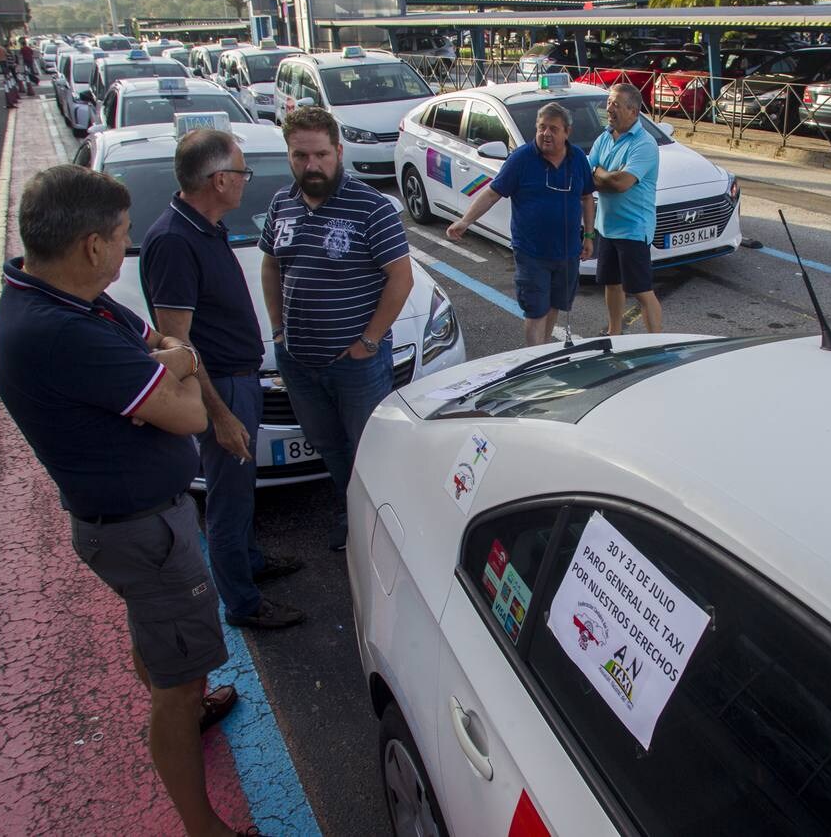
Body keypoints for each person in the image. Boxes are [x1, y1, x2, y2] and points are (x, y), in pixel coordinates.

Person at [0, 165, 255, 837]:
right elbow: (188, 412)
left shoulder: (70, 299)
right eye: (121, 237)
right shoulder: (63, 331)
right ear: (90, 246)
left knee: (159, 642)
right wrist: (180, 374)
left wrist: (173, 366)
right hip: (143, 533)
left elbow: (163, 347)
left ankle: (190, 704)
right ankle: (203, 823)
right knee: (174, 686)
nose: (124, 248)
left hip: (138, 525)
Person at [141, 128, 306, 630]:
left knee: (241, 489)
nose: (244, 182)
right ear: (217, 180)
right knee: (228, 499)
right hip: (223, 388)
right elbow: (178, 345)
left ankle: (250, 563)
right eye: (240, 173)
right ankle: (243, 602)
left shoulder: (203, 227)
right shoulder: (173, 241)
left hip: (242, 378)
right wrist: (220, 414)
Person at [260, 106, 413, 551]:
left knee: (371, 449)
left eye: (322, 155)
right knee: (330, 447)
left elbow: (400, 278)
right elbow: (271, 267)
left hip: (356, 366)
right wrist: (278, 330)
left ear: (339, 151)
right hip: (299, 363)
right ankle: (356, 513)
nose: (312, 166)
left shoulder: (371, 207)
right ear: (288, 155)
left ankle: (385, 529)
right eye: (300, 156)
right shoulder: (281, 203)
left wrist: (369, 340)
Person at [446, 102, 594, 345]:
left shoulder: (577, 158)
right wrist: (465, 221)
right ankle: (534, 359)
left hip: (567, 252)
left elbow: (587, 197)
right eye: (541, 127)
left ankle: (544, 353)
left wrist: (588, 236)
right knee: (536, 311)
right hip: (531, 253)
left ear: (567, 132)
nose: (546, 134)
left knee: (555, 305)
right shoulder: (522, 159)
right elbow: (492, 193)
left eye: (553, 129)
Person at [589, 83, 663, 335]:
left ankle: (656, 344)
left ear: (633, 111)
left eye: (616, 104)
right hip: (607, 227)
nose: (609, 108)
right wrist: (605, 176)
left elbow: (622, 183)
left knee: (642, 291)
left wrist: (600, 175)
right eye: (609, 102)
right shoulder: (604, 137)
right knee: (611, 283)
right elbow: (589, 175)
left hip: (633, 229)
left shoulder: (644, 144)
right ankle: (614, 333)